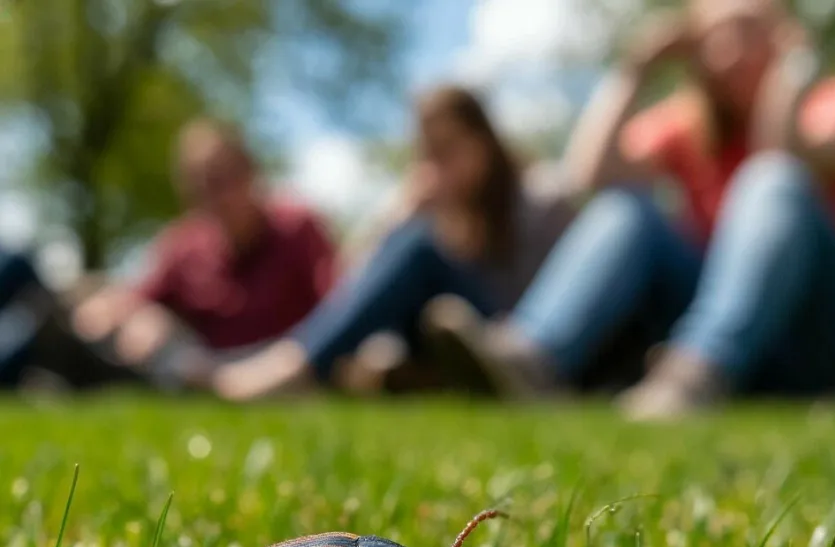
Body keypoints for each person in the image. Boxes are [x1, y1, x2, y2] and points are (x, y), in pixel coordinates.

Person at [423, 0, 835, 416]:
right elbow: (588, 177)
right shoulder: (689, 128)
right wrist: (637, 68)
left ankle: (694, 373)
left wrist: (791, 74)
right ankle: (530, 357)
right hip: (760, 352)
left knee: (771, 181)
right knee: (627, 210)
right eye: (714, 38)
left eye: (746, 31)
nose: (728, 52)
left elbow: (781, 158)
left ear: (782, 36)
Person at [209, 85, 576, 400]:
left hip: (514, 344)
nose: (437, 167)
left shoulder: (539, 197)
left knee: (419, 250)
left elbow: (547, 313)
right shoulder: (437, 216)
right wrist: (399, 214)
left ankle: (294, 367)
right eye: (428, 154)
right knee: (411, 253)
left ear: (484, 141)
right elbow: (348, 280)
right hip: (449, 338)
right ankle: (374, 371)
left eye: (448, 150)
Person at [71, 118, 337, 387]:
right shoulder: (184, 242)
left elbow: (338, 303)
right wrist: (138, 315)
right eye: (200, 188)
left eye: (224, 181)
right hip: (211, 368)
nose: (216, 198)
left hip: (288, 361)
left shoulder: (298, 226)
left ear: (251, 173)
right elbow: (136, 299)